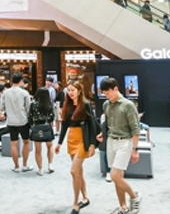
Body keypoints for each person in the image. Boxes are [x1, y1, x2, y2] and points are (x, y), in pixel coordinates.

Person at [97, 77, 141, 214]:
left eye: (108, 92)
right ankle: (123, 206)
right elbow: (108, 124)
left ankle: (135, 196)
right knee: (118, 177)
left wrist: (135, 149)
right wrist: (102, 133)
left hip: (125, 142)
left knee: (114, 175)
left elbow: (135, 129)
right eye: (104, 93)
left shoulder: (128, 105)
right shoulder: (106, 104)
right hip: (111, 141)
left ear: (116, 89)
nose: (106, 95)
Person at [55, 81, 96, 214]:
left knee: (73, 171)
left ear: (79, 91)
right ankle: (85, 198)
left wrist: (92, 144)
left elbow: (92, 125)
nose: (70, 93)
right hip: (71, 138)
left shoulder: (86, 105)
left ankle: (75, 202)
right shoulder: (66, 105)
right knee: (78, 172)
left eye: (73, 90)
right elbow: (64, 126)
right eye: (69, 90)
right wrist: (59, 143)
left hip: (82, 139)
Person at [0, 72, 32, 173]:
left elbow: (1, 108)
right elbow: (28, 108)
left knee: (13, 144)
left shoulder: (6, 93)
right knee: (26, 142)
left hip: (11, 122)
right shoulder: (24, 93)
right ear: (21, 81)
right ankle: (25, 165)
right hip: (23, 121)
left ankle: (16, 166)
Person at [29, 87, 55, 176]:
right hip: (47, 126)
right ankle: (50, 165)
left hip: (37, 126)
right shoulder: (49, 104)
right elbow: (52, 117)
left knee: (38, 150)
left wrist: (31, 125)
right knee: (50, 146)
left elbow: (30, 116)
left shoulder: (33, 104)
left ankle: (40, 169)